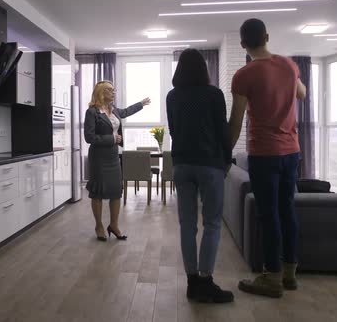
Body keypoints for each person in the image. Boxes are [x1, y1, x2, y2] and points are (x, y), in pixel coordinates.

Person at [229, 18, 307, 298]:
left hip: (264, 153)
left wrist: (225, 153)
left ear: (243, 44)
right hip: (291, 151)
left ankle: (271, 276)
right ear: (268, 36)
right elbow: (302, 93)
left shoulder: (244, 75)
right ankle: (290, 273)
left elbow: (236, 120)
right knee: (287, 209)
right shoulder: (289, 65)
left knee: (268, 213)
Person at [167, 49, 234, 303]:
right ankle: (205, 281)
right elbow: (222, 131)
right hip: (210, 165)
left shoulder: (172, 97)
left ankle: (191, 282)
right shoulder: (214, 94)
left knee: (187, 224)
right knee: (212, 224)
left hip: (182, 165)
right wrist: (227, 160)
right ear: (204, 69)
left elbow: (174, 130)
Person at [84, 80, 151, 241]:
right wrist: (112, 138)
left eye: (114, 90)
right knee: (98, 193)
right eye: (110, 90)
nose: (114, 93)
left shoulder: (114, 110)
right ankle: (99, 225)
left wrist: (141, 104)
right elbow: (89, 137)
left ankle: (114, 225)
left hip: (113, 157)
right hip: (99, 158)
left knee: (116, 192)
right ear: (101, 92)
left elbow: (127, 111)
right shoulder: (92, 112)